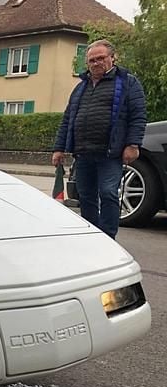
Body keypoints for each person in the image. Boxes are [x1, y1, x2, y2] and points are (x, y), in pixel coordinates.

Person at [52, 39, 146, 239]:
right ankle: (92, 237)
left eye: (101, 58)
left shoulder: (128, 82)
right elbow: (68, 118)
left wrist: (133, 144)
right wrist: (58, 148)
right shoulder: (80, 88)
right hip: (83, 153)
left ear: (112, 57)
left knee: (108, 194)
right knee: (85, 197)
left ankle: (108, 238)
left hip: (110, 153)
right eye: (92, 60)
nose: (96, 63)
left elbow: (138, 116)